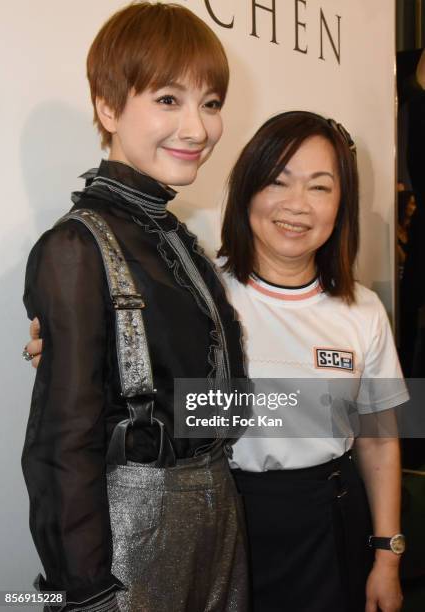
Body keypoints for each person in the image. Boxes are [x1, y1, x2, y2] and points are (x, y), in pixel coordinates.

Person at [21, 3, 249, 611]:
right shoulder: (75, 247)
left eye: (211, 102)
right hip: (133, 537)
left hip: (218, 513)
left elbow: (222, 407)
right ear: (107, 105)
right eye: (169, 100)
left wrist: (345, 406)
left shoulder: (178, 240)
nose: (198, 128)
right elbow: (60, 446)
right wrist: (88, 592)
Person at [217, 111, 408, 612]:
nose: (297, 205)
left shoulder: (363, 309)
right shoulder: (200, 293)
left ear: (341, 205)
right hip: (223, 521)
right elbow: (169, 408)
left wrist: (388, 557)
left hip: (330, 521)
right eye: (278, 181)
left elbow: (382, 440)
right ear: (247, 191)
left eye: (320, 188)